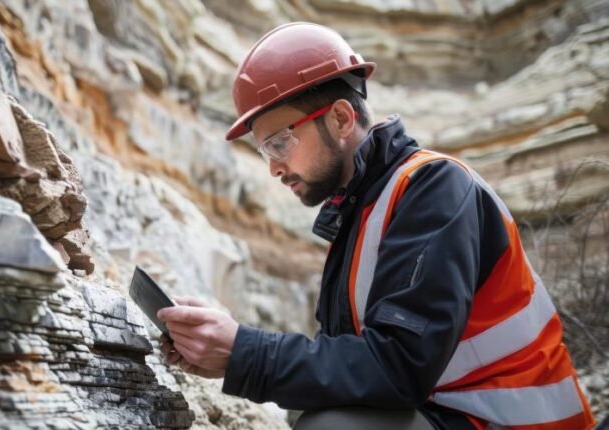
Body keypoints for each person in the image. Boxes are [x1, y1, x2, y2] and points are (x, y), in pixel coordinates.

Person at [157, 22, 596, 429]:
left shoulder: (434, 188)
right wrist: (226, 350)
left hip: (514, 423)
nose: (274, 167)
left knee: (330, 426)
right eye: (265, 151)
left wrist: (242, 352)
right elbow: (348, 369)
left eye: (280, 142)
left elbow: (398, 367)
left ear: (342, 119)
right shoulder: (360, 215)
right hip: (455, 416)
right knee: (311, 407)